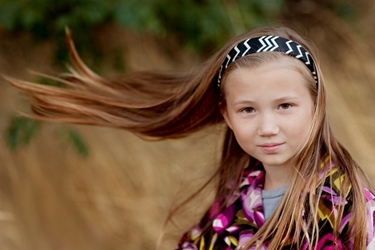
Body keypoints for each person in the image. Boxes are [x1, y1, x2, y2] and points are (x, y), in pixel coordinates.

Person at [6, 26, 375, 249]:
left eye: (285, 106)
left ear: (316, 105)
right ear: (226, 115)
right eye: (248, 110)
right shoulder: (239, 198)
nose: (267, 127)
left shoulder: (348, 203)